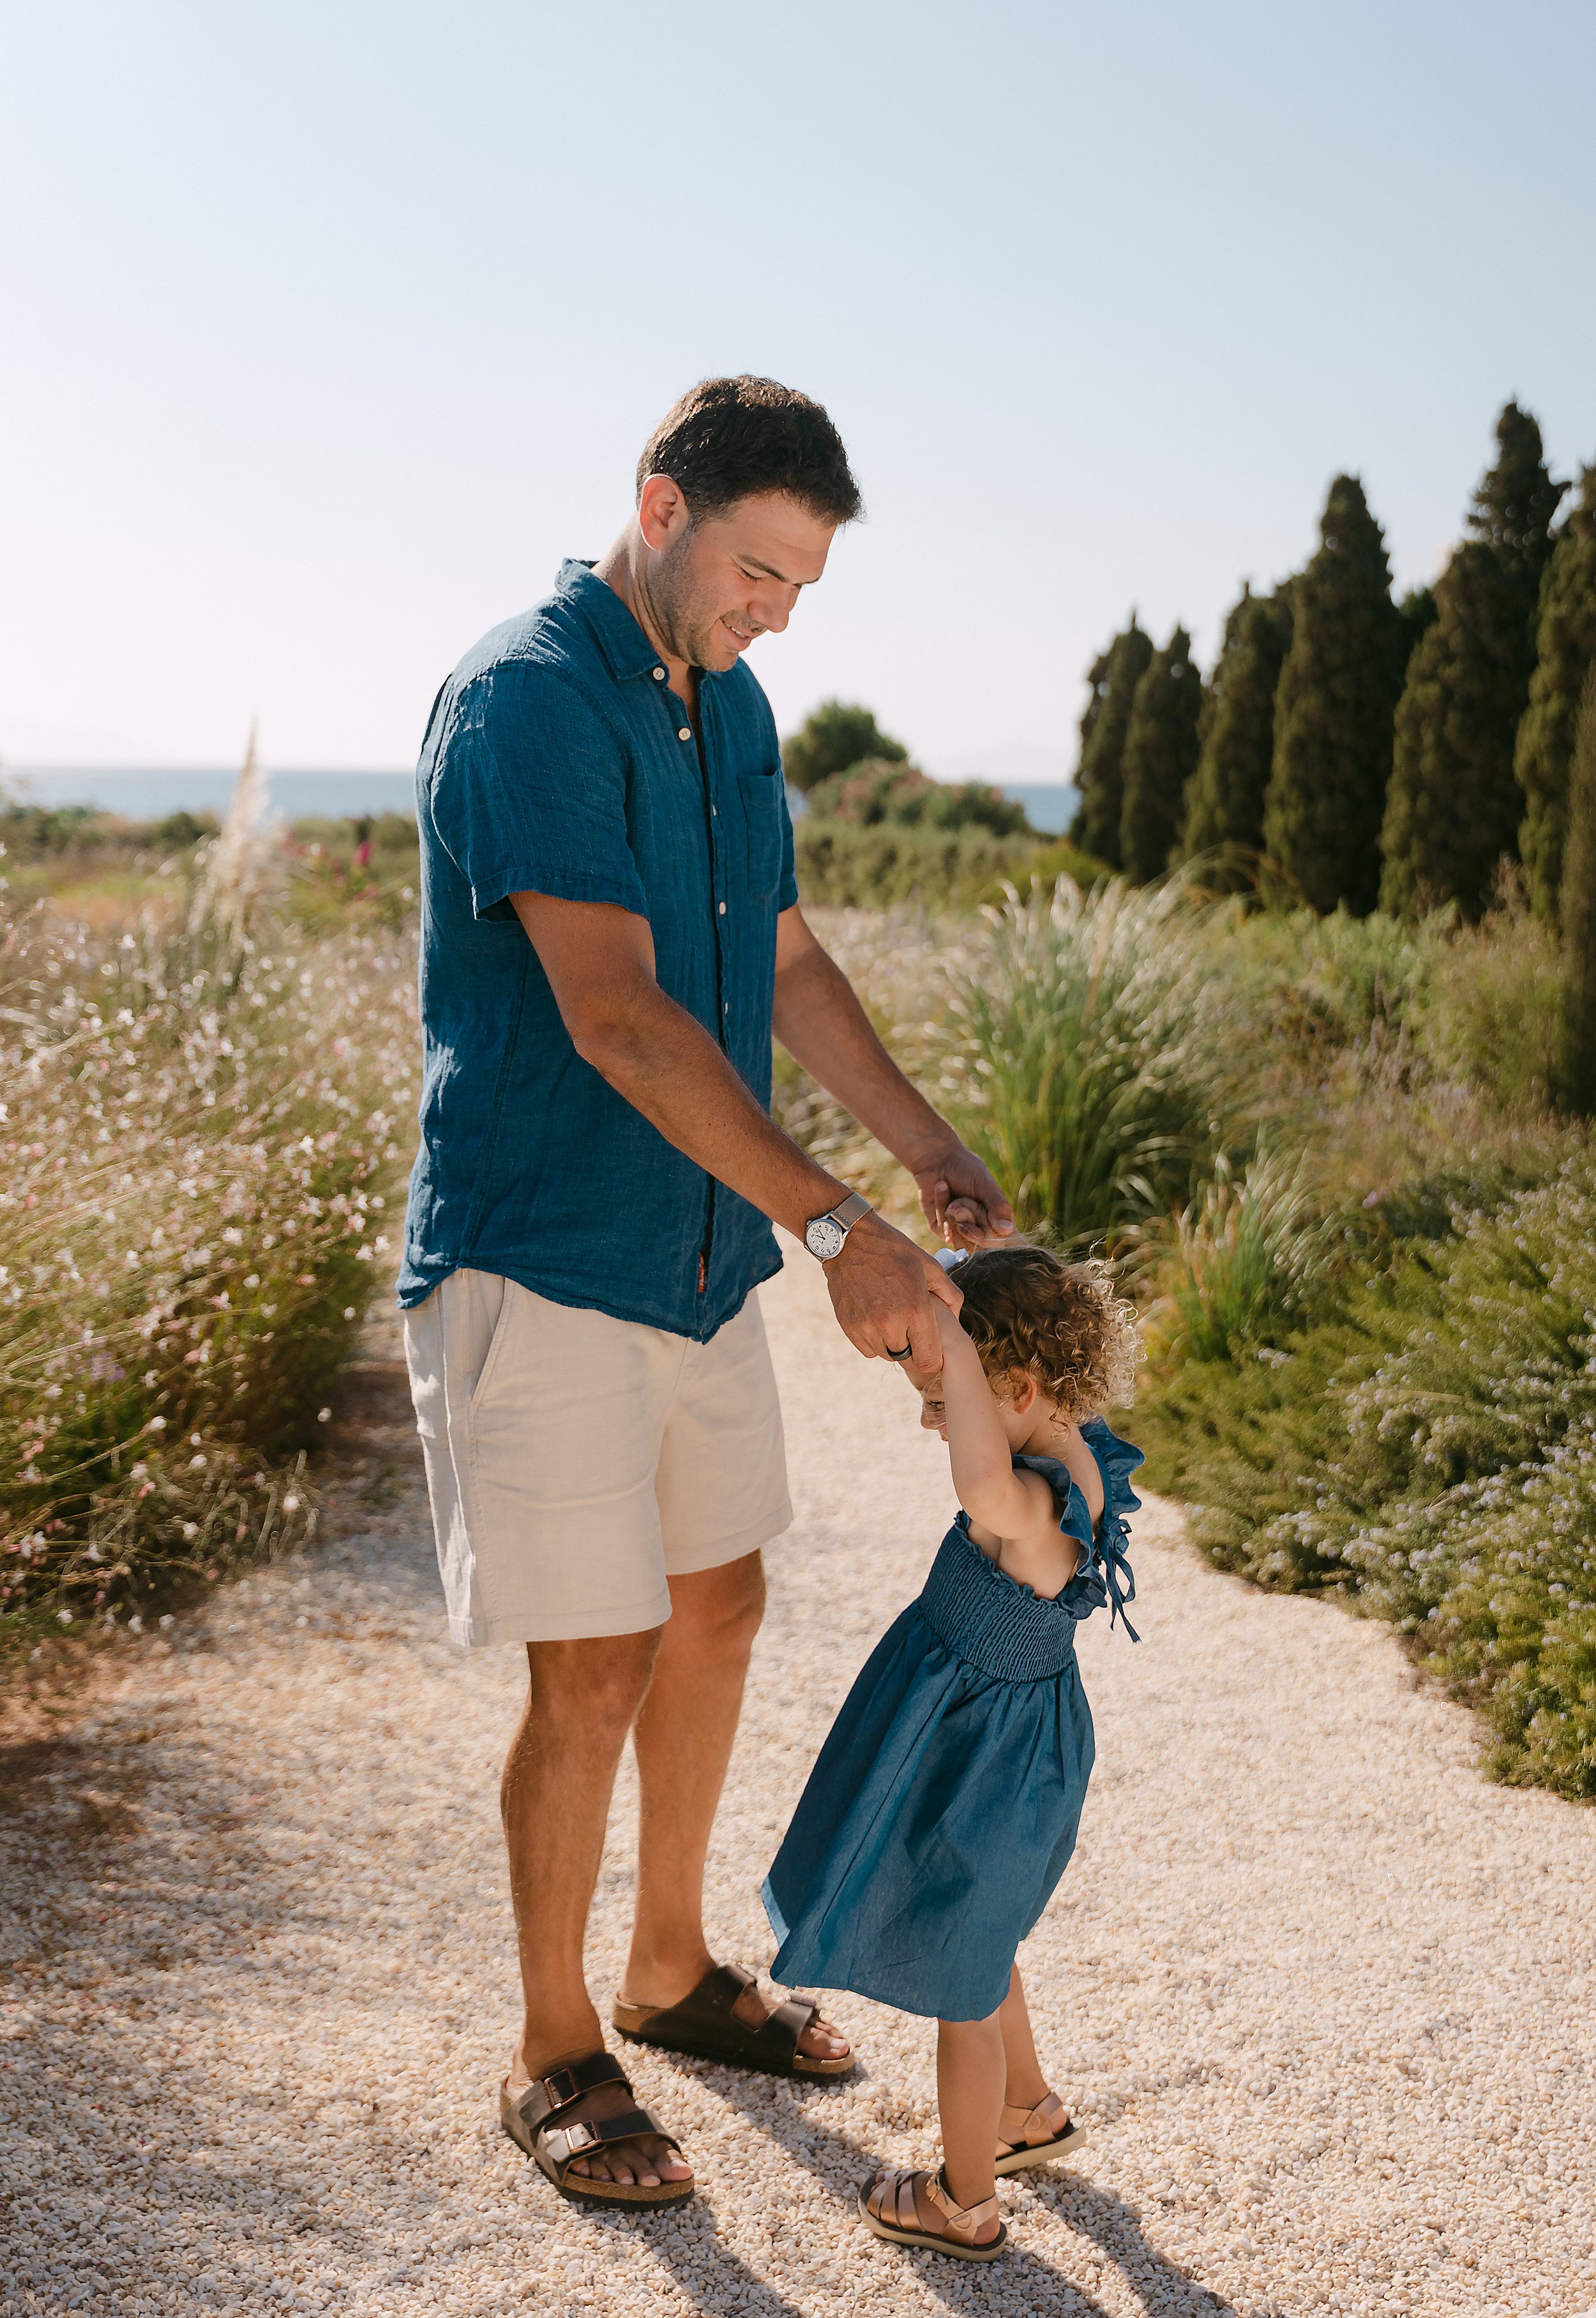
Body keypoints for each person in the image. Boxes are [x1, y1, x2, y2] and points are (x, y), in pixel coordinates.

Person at [398, 375, 1015, 2210]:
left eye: (802, 584)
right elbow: (616, 1013)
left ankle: (669, 1973)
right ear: (659, 506)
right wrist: (837, 1233)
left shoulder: (728, 716)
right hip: (542, 1254)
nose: (772, 612)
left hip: (692, 1258)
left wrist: (921, 1151)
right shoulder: (525, 696)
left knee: (718, 1611)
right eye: (755, 569)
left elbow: (787, 956)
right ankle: (551, 2042)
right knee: (586, 1667)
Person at [762, 1243, 1143, 2260]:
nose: (933, 1417)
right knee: (984, 1934)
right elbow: (1020, 1329)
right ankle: (1029, 2112)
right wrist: (962, 1292)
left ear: (1013, 1387)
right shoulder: (1069, 1438)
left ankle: (964, 2202)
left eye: (945, 1397)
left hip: (984, 1758)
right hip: (983, 1736)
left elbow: (980, 1480)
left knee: (961, 1987)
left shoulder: (1031, 1506)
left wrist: (961, 1363)